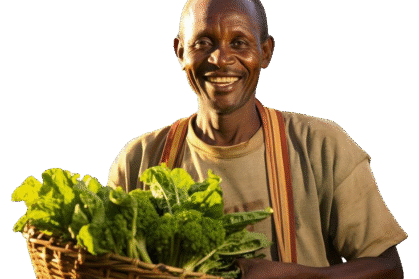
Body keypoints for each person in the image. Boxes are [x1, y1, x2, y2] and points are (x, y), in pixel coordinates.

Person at [108, 0, 407, 277]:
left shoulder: (321, 146)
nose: (220, 59)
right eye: (203, 42)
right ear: (180, 52)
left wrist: (301, 276)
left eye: (239, 42)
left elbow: (388, 268)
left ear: (266, 52)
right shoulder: (139, 160)